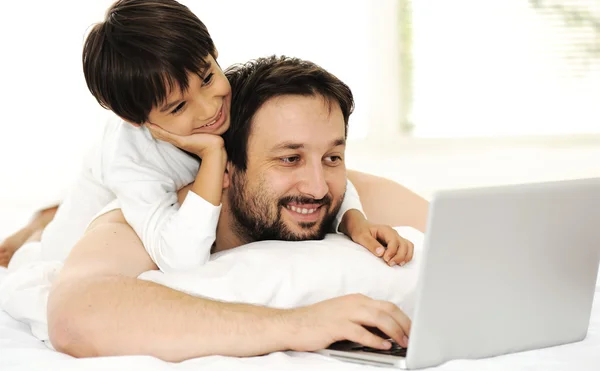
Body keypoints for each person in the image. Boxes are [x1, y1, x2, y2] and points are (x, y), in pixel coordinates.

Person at [46, 55, 429, 361]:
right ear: (228, 167)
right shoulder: (152, 217)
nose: (317, 187)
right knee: (49, 234)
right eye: (289, 159)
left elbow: (471, 234)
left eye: (332, 156)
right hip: (79, 218)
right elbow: (73, 317)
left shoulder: (342, 188)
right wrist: (299, 325)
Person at [0, 0, 413, 272]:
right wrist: (213, 158)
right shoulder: (132, 159)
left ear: (214, 54)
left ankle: (42, 216)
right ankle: (37, 230)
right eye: (178, 108)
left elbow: (317, 160)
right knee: (35, 257)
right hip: (72, 237)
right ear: (139, 120)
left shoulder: (225, 96)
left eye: (208, 76)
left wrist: (353, 220)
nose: (209, 109)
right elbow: (180, 258)